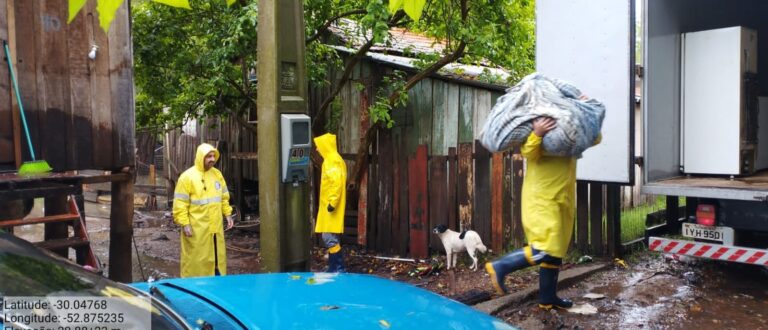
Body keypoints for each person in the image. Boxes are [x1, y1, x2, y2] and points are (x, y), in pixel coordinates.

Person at [485, 116, 600, 310]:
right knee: (545, 248)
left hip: (562, 198)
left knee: (556, 252)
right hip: (542, 199)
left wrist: (584, 113)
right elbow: (529, 153)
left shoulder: (571, 131)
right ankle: (501, 266)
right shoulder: (540, 128)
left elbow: (595, 138)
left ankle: (548, 297)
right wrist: (537, 133)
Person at [173, 143, 234, 278]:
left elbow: (224, 197)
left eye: (213, 156)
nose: (212, 159)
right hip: (197, 228)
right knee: (196, 259)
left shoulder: (217, 174)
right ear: (201, 157)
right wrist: (185, 224)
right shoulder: (187, 177)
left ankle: (217, 281)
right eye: (208, 157)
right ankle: (193, 286)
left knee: (217, 256)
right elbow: (180, 203)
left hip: (215, 228)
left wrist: (228, 214)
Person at [313, 133, 347, 272]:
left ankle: (338, 267)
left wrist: (332, 202)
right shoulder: (334, 159)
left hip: (330, 207)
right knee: (331, 236)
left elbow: (336, 183)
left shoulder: (331, 161)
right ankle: (334, 267)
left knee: (328, 236)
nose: (317, 149)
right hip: (331, 205)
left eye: (318, 146)